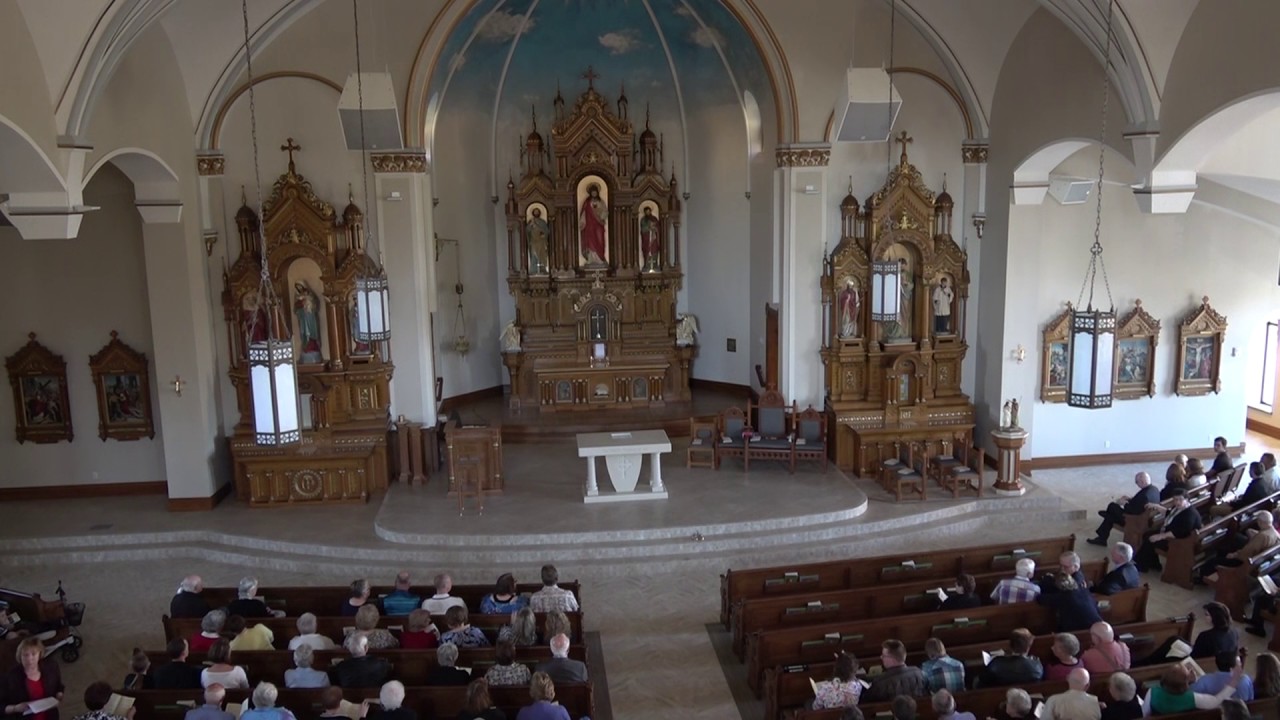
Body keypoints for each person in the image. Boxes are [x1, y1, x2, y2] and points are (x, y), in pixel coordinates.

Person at [1134, 489, 1202, 573]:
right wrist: (1157, 506)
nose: (1177, 502)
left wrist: (1160, 536)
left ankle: (1142, 566)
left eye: (1180, 499)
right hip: (1172, 534)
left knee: (1150, 539)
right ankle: (1154, 564)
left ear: (1187, 499)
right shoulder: (1181, 508)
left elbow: (1180, 532)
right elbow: (1170, 514)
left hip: (1178, 542)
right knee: (1147, 534)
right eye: (1175, 499)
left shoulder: (1189, 514)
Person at [1202, 511, 1280, 584]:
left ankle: (1202, 579)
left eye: (1258, 521)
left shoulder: (1262, 536)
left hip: (1246, 564)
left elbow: (1247, 552)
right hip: (1257, 561)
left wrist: (1234, 555)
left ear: (1261, 522)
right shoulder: (1275, 533)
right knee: (1224, 550)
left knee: (1213, 561)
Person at [1090, 472, 1160, 546]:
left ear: (1142, 481)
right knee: (1110, 516)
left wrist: (1124, 503)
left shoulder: (1144, 495)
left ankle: (1102, 535)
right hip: (1144, 518)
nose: (1136, 484)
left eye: (1137, 482)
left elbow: (1132, 511)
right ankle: (1102, 537)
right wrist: (1130, 499)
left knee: (1112, 506)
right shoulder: (1154, 489)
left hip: (1133, 521)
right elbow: (1140, 504)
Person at [1142, 663, 1241, 714]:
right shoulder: (1192, 697)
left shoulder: (1152, 692)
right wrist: (1233, 682)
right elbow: (1216, 701)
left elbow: (1145, 713)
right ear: (1184, 683)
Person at [4, 638, 64, 720]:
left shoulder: (51, 667)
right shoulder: (10, 677)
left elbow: (59, 686)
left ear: (40, 654)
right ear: (20, 656)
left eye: (33, 654)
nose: (29, 659)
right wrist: (15, 708)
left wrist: (59, 695)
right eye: (25, 655)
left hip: (50, 716)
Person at [863, 639, 927, 702]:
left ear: (892, 659)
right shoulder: (918, 673)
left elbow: (866, 700)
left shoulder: (880, 682)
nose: (881, 657)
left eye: (884, 656)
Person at [976, 628, 1043, 688]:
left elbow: (982, 682)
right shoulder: (1036, 666)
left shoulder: (996, 664)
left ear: (1010, 645)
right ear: (1029, 646)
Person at [1037, 572, 1102, 632]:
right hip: (1098, 625)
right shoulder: (1084, 591)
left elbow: (1040, 599)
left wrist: (1046, 579)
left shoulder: (1063, 597)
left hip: (1078, 630)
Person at [578, 183, 607, 266]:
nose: (594, 194)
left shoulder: (601, 202)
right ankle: (591, 259)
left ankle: (600, 258)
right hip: (589, 226)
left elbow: (605, 211)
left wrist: (600, 215)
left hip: (598, 225)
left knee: (599, 240)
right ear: (590, 193)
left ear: (597, 192)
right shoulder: (587, 202)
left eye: (595, 192)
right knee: (590, 242)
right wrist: (582, 222)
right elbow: (583, 213)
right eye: (592, 192)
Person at [293, 281, 323, 364]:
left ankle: (312, 347)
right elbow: (295, 309)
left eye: (301, 287)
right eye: (298, 288)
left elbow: (314, 305)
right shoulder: (297, 297)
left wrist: (307, 302)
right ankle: (306, 347)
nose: (300, 289)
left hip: (310, 317)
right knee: (304, 333)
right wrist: (301, 304)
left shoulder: (310, 295)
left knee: (311, 332)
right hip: (302, 318)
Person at [527, 207, 550, 275]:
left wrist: (540, 231)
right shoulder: (531, 222)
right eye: (535, 211)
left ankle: (542, 269)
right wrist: (531, 226)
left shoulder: (542, 222)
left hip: (541, 242)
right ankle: (534, 270)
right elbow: (527, 231)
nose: (536, 213)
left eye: (537, 211)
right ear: (533, 213)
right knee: (534, 255)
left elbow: (546, 231)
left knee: (542, 256)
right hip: (534, 242)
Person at [639, 205, 660, 271]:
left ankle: (654, 265)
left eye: (649, 211)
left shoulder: (654, 219)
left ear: (650, 211)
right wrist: (649, 227)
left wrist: (655, 228)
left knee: (654, 249)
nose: (648, 213)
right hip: (647, 239)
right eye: (646, 212)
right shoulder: (643, 220)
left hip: (654, 238)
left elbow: (658, 227)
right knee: (647, 250)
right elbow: (643, 229)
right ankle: (647, 265)